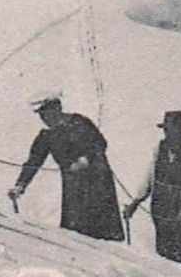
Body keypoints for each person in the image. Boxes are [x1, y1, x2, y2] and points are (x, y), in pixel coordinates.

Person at [8, 93, 125, 242]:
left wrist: (85, 160)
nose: (44, 118)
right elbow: (34, 161)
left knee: (103, 228)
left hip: (97, 182)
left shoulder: (80, 122)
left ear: (57, 109)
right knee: (76, 231)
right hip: (74, 186)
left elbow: (100, 143)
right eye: (41, 115)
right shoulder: (46, 136)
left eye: (46, 113)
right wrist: (20, 185)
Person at [123, 110, 181, 266]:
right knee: (163, 251)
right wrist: (135, 202)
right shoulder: (160, 148)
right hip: (161, 205)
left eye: (173, 129)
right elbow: (150, 177)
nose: (168, 134)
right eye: (166, 129)